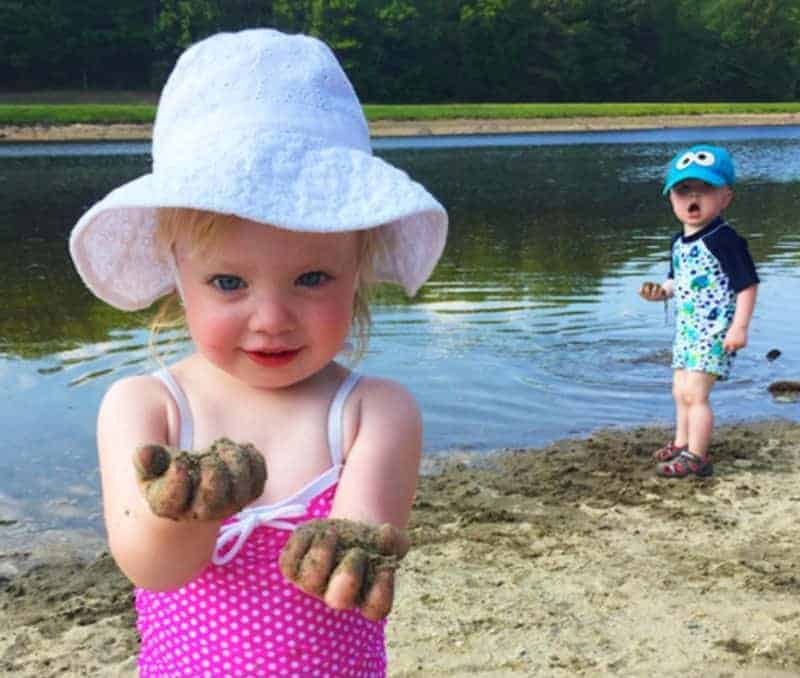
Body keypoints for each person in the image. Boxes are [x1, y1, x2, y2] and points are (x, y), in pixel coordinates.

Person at [68, 28, 447, 677]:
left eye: (312, 279)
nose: (270, 320)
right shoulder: (145, 407)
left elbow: (351, 561)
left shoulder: (374, 411)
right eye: (228, 283)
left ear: (358, 265)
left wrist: (349, 553)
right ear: (177, 269)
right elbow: (152, 567)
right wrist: (191, 508)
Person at [639, 144, 758, 478]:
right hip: (688, 329)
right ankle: (682, 441)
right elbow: (677, 281)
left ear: (726, 198)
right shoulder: (679, 241)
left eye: (706, 189)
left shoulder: (725, 239)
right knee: (679, 390)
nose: (693, 197)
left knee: (696, 393)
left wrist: (740, 327)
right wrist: (660, 293)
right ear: (671, 199)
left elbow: (747, 285)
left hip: (715, 330)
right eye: (683, 190)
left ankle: (697, 456)